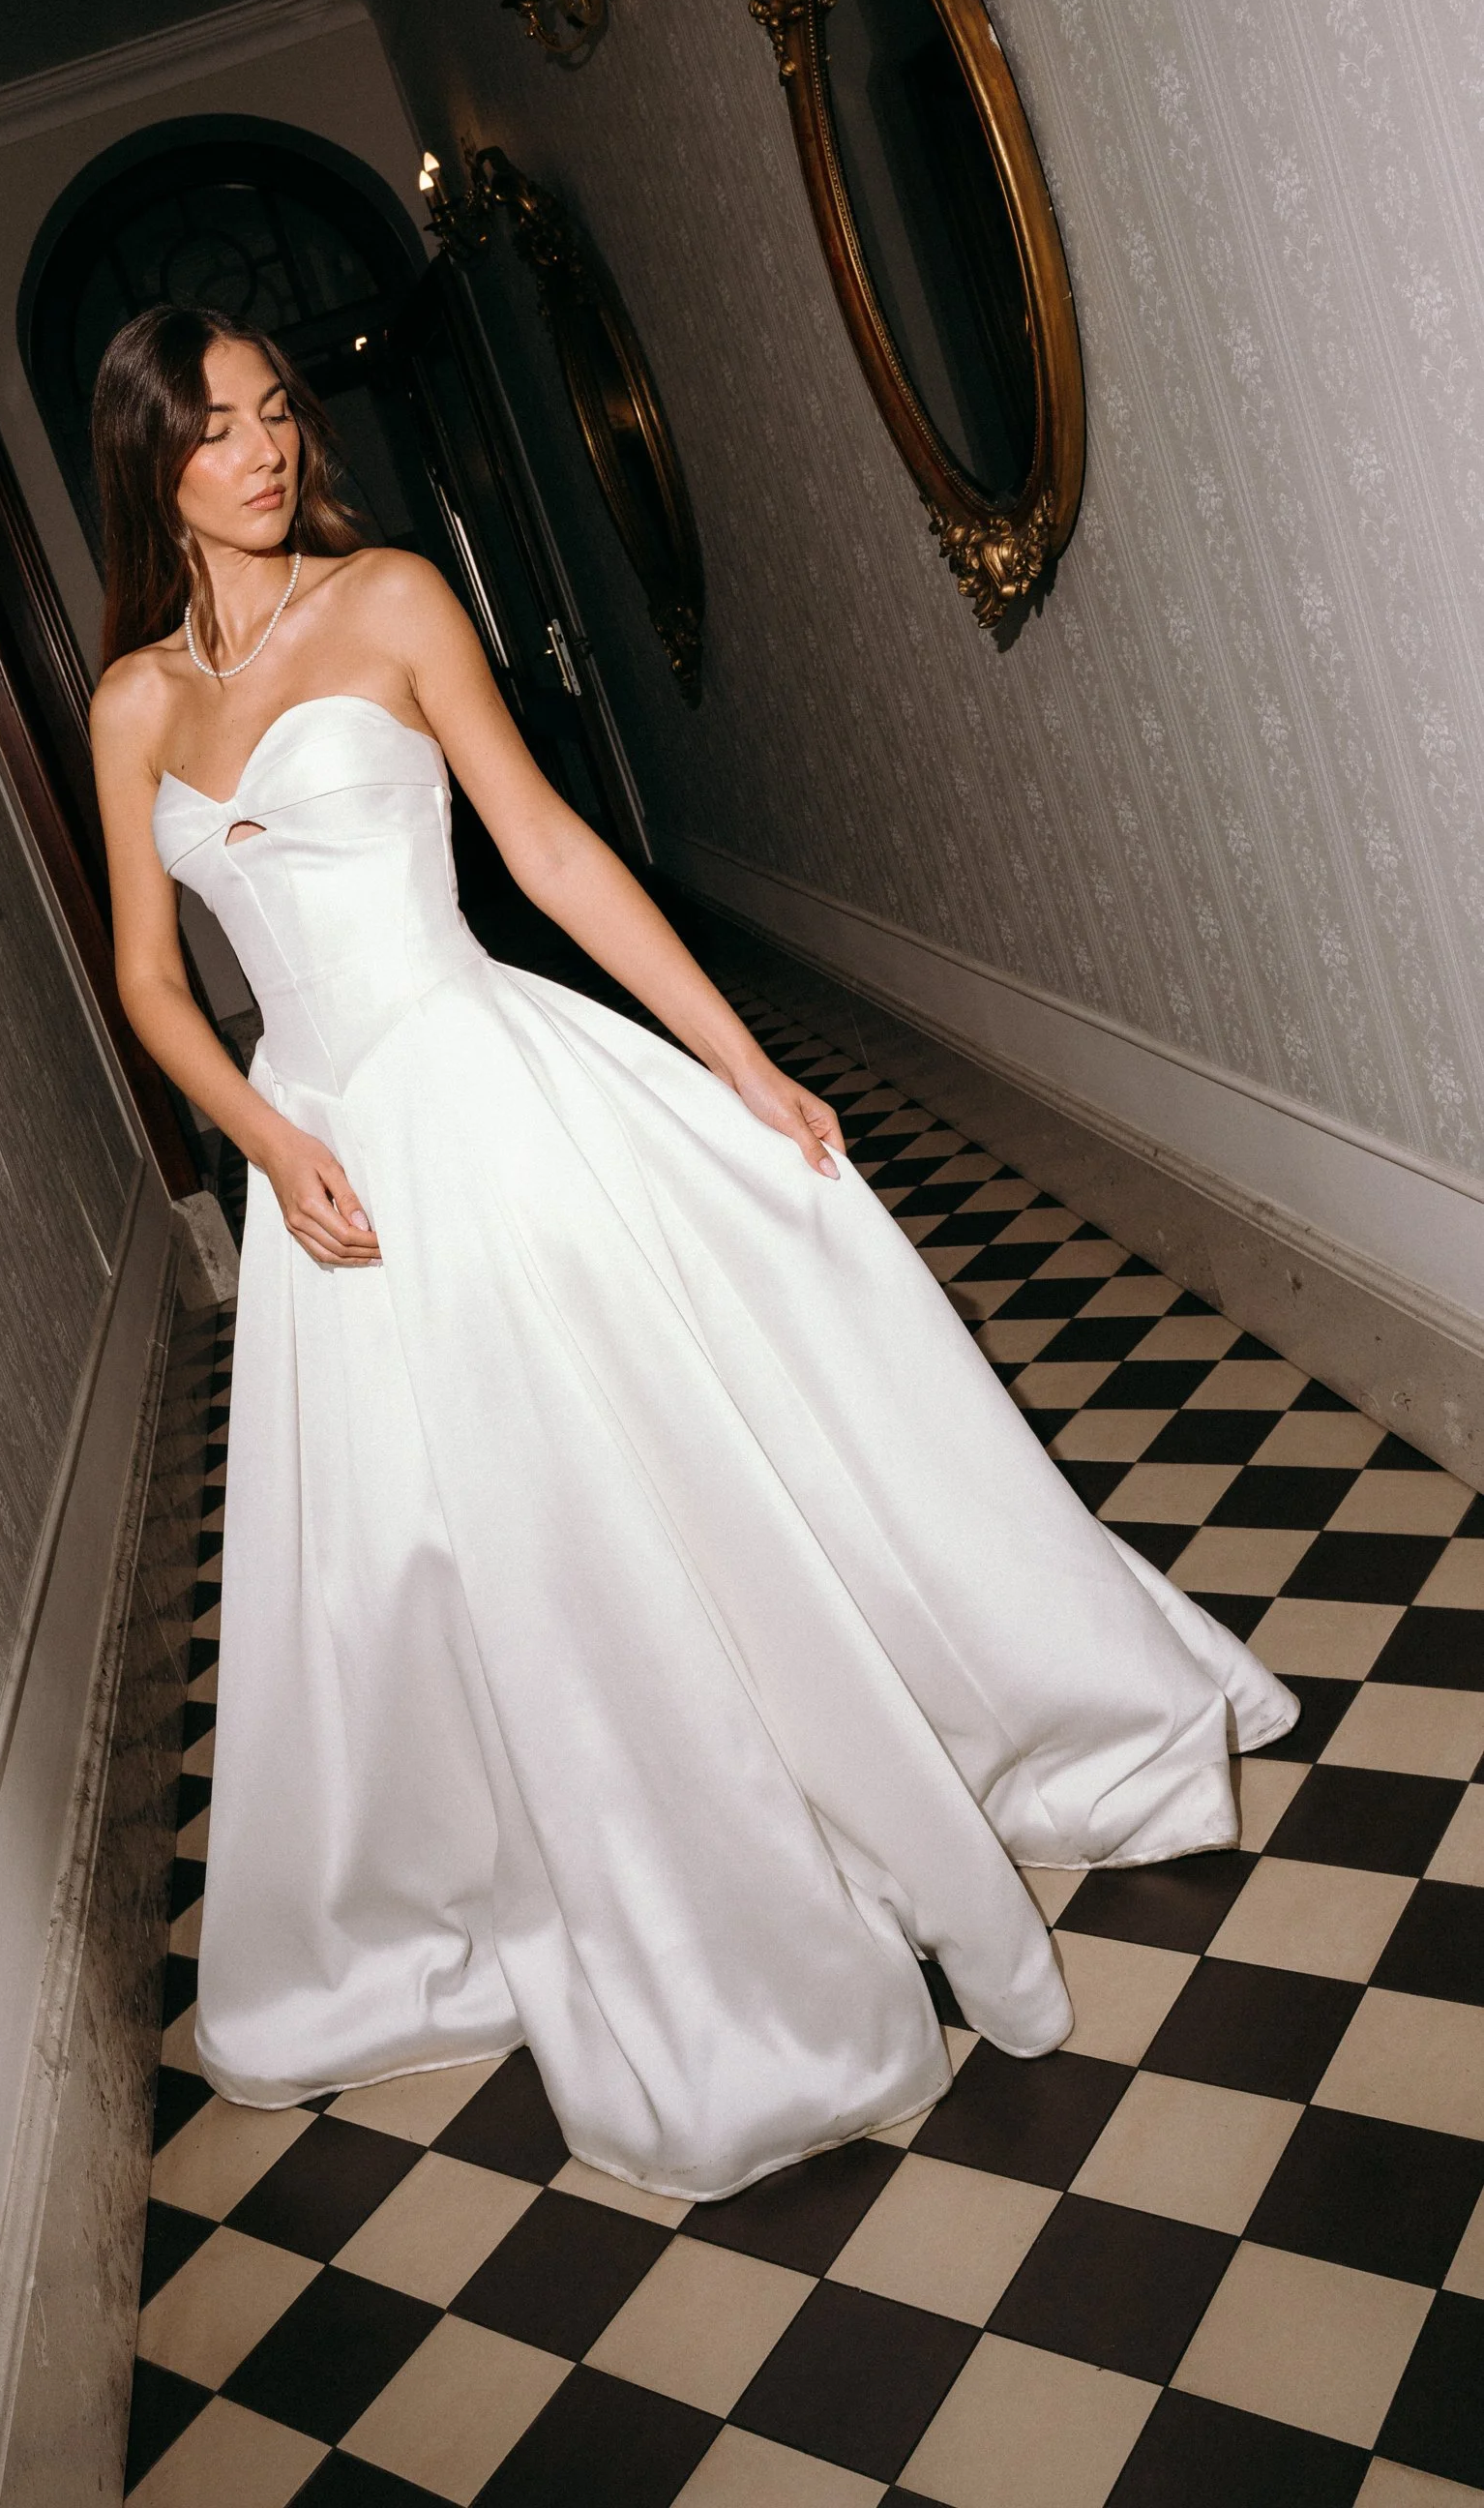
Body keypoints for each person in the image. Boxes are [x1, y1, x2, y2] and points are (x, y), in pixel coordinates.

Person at [87, 302, 1294, 2201]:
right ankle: (599, 1844)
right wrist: (269, 1144)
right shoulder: (131, 706)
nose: (257, 452)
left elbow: (549, 852)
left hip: (481, 1091)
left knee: (626, 1472)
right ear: (146, 460)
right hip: (323, 1161)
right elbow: (154, 985)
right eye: (212, 429)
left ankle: (814, 1775)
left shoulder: (390, 597)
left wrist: (741, 1061)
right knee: (432, 1551)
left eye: (272, 416)